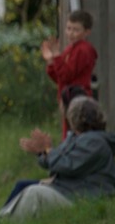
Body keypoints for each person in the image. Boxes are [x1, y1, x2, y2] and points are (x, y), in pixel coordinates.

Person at [0, 96, 115, 219]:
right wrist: (42, 152)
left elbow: (67, 165)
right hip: (69, 189)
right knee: (23, 185)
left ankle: (6, 222)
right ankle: (2, 220)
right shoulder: (75, 138)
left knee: (34, 193)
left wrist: (48, 150)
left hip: (84, 194)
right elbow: (54, 161)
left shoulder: (94, 142)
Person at [41, 9, 97, 138]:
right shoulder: (70, 49)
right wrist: (51, 62)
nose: (71, 33)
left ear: (87, 32)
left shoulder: (84, 50)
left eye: (76, 30)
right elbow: (60, 78)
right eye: (68, 28)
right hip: (68, 98)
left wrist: (56, 56)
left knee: (74, 137)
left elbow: (66, 75)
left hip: (78, 100)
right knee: (68, 136)